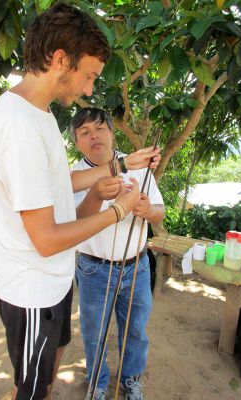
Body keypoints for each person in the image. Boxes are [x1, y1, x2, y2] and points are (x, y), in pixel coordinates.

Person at [0, 3, 161, 400]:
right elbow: (45, 239)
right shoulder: (20, 130)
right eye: (90, 75)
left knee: (44, 379)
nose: (90, 89)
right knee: (30, 390)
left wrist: (119, 166)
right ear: (62, 60)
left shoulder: (38, 113)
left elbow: (56, 181)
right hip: (32, 293)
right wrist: (118, 211)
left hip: (54, 283)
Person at [70, 108, 165, 400]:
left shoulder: (138, 167)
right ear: (76, 142)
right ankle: (97, 385)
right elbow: (74, 225)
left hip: (136, 267)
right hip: (93, 269)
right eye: (84, 132)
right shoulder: (74, 174)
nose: (93, 136)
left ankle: (131, 378)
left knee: (135, 330)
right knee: (94, 334)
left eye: (99, 128)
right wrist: (96, 194)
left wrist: (147, 210)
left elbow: (159, 214)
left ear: (112, 132)